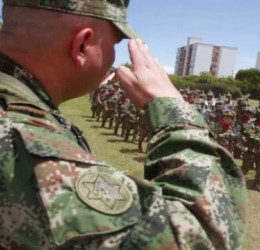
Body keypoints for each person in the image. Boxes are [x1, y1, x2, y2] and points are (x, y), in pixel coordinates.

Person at [0, 1, 246, 249]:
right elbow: (202, 236)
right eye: (115, 44)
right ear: (83, 45)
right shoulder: (20, 139)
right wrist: (173, 109)